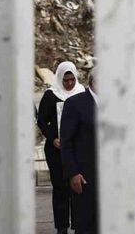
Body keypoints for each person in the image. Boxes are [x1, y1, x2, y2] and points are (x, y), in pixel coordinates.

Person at [38, 62, 85, 234]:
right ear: (60, 78)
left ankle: (79, 224)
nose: (69, 83)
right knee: (60, 189)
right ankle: (62, 226)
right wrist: (53, 139)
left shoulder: (82, 93)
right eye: (66, 80)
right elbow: (42, 120)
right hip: (56, 150)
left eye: (72, 79)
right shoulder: (51, 95)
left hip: (77, 150)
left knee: (78, 187)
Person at [60, 77, 99, 234]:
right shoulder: (74, 103)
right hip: (85, 176)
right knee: (86, 224)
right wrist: (72, 173)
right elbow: (66, 142)